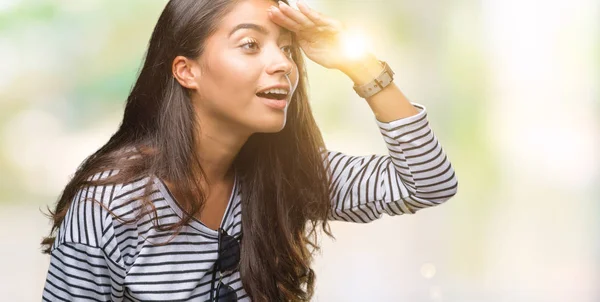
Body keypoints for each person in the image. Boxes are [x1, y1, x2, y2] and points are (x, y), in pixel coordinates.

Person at [40, 0, 458, 301]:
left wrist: (360, 65)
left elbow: (427, 182)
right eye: (250, 45)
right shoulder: (110, 206)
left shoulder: (287, 174)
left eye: (288, 48)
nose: (283, 64)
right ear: (188, 70)